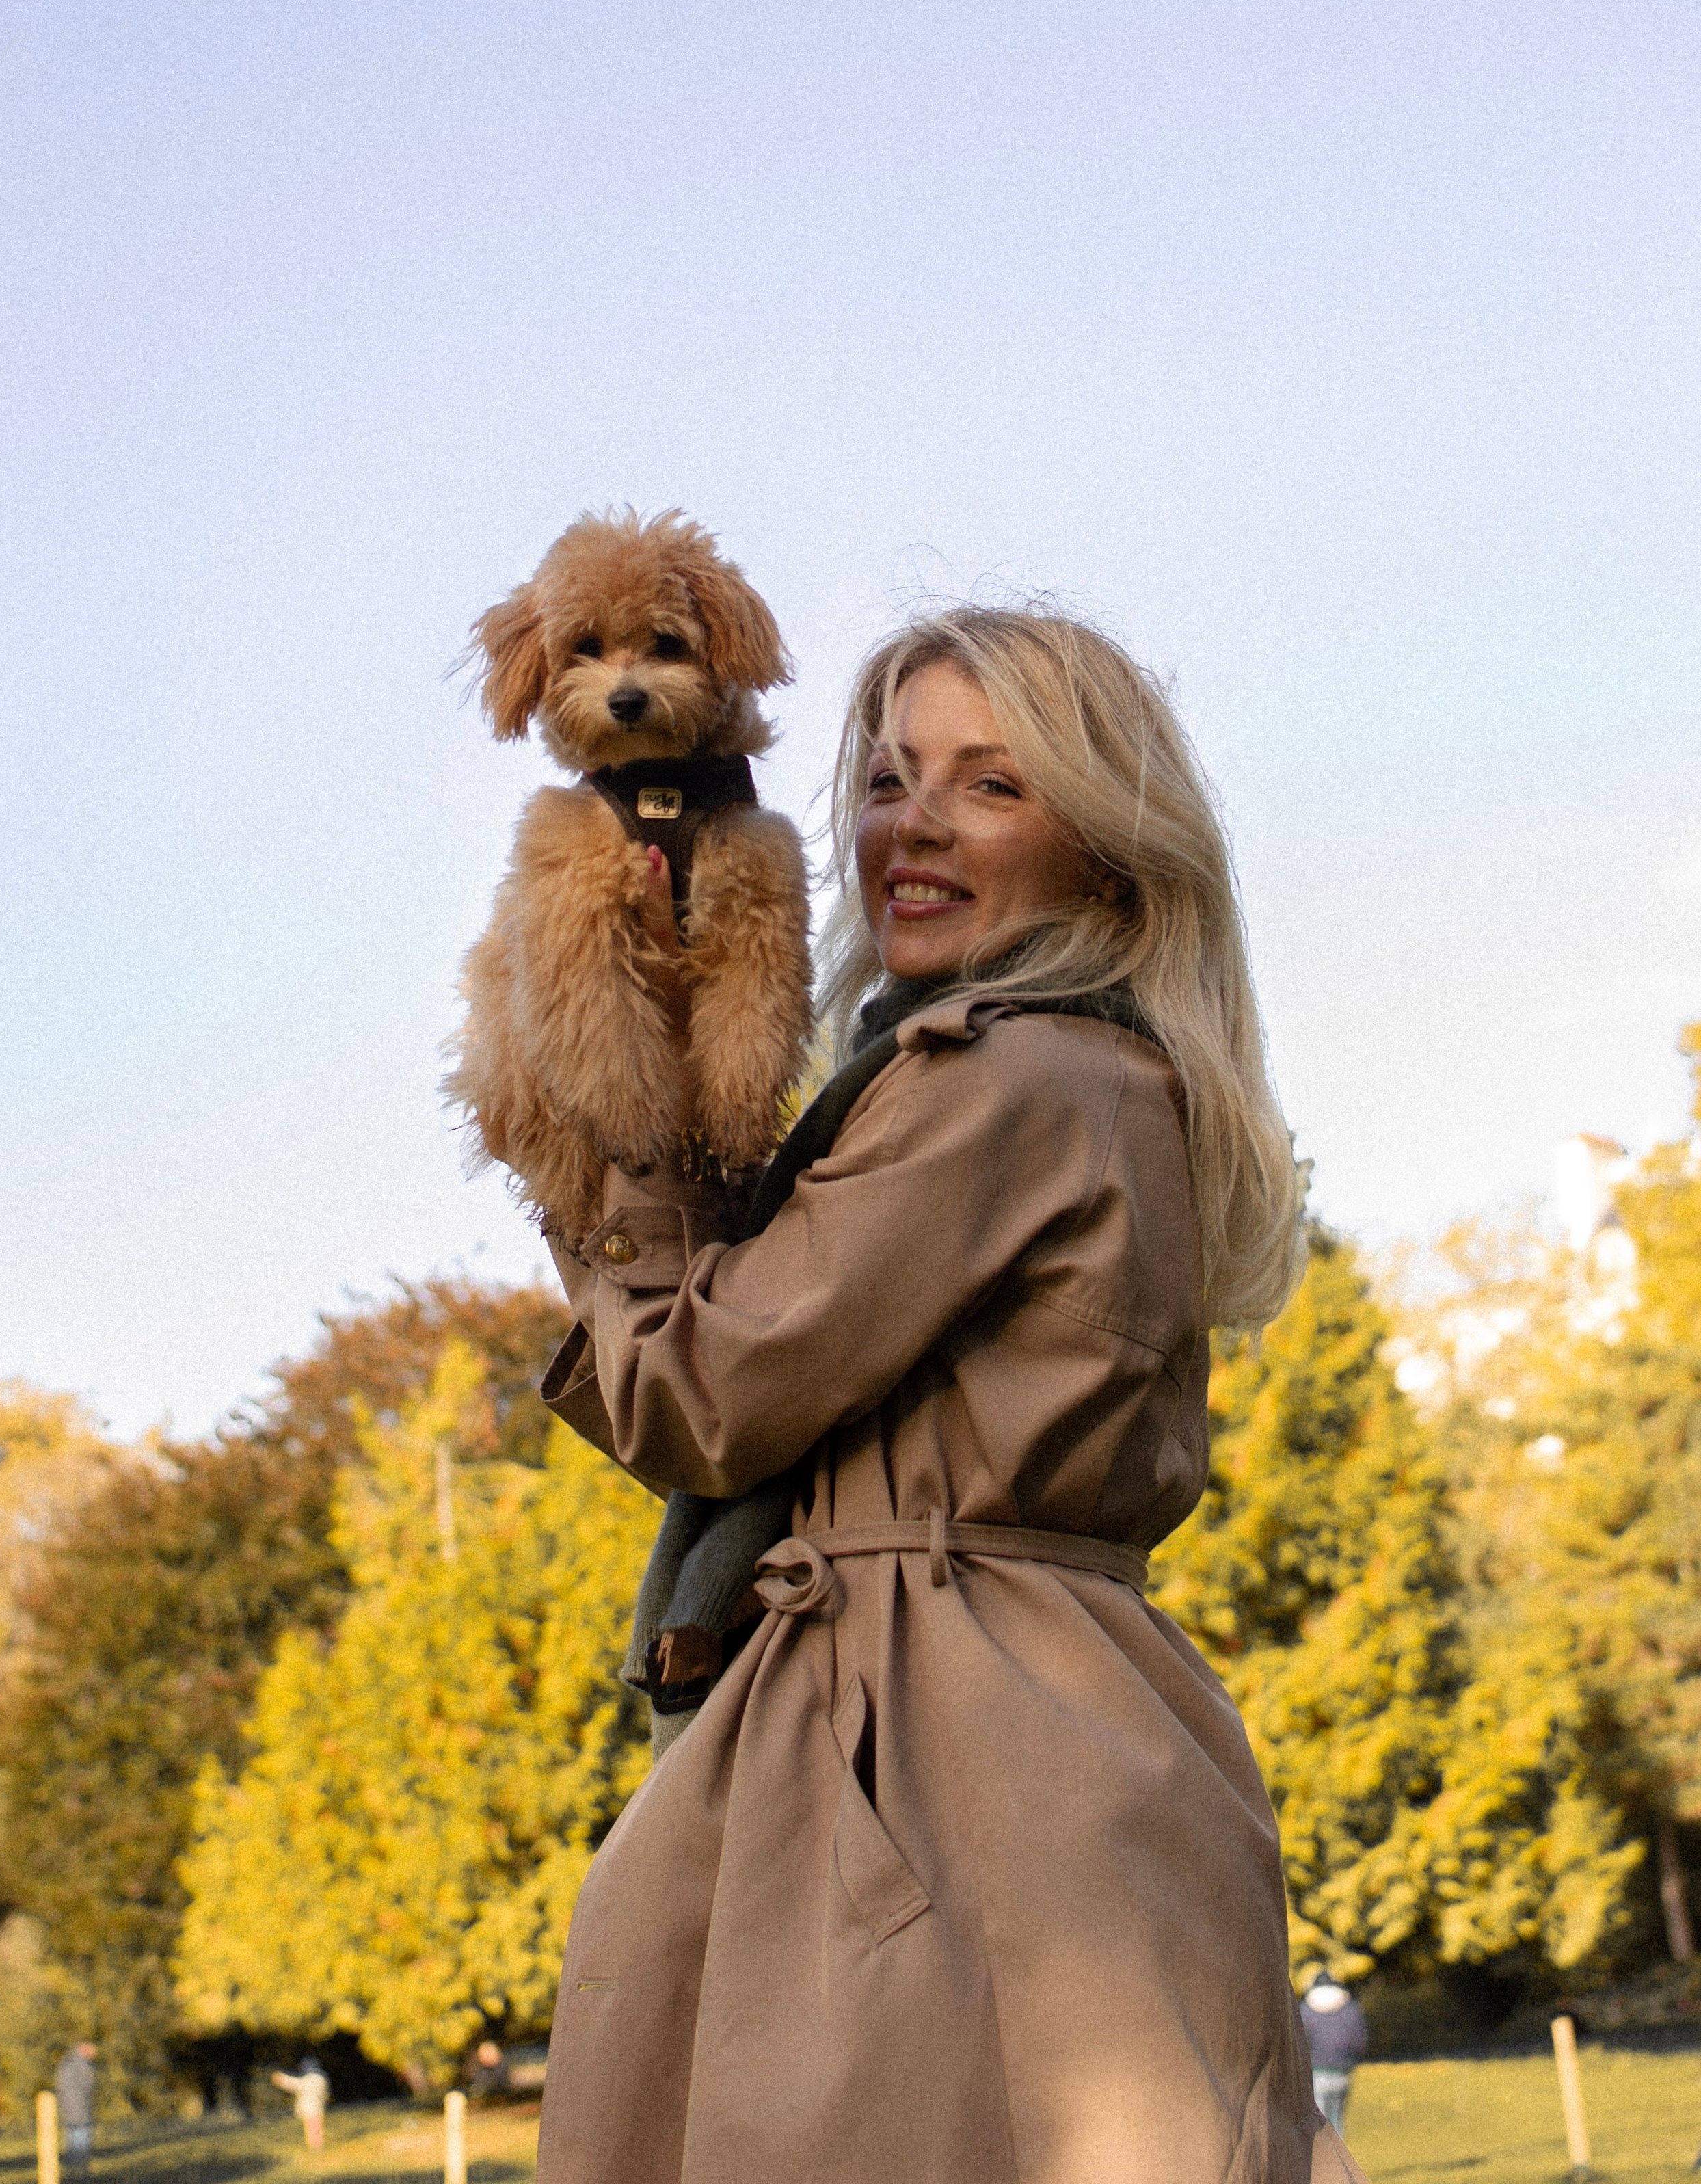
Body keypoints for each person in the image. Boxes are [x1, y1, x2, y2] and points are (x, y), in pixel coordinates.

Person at [535, 606, 1371, 2184]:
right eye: (887, 779)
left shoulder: (1006, 1075)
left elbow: (703, 1392)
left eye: (989, 784)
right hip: (1022, 1722)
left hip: (933, 1748)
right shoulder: (1074, 1072)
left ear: (1106, 858)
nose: (910, 823)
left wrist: (612, 1114)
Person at [1300, 1971, 1369, 2138]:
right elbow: (1360, 2041)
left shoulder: (1305, 2010)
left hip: (1317, 2073)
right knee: (1337, 2119)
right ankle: (1339, 2152)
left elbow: (1301, 2042)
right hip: (1342, 2073)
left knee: (1320, 2123)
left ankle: (1323, 2153)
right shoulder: (1350, 2008)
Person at [54, 2041, 96, 2175]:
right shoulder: (80, 2063)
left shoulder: (66, 2061)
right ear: (85, 2048)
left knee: (71, 2136)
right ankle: (80, 2168)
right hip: (79, 2105)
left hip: (68, 2105)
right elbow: (88, 2083)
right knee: (81, 2136)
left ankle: (71, 2167)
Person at [270, 2056, 329, 2154]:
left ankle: (316, 2148)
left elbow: (297, 2085)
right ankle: (317, 2147)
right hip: (317, 2106)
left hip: (311, 2107)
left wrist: (281, 2079)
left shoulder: (312, 2079)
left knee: (312, 2128)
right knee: (315, 2127)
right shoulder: (321, 2078)